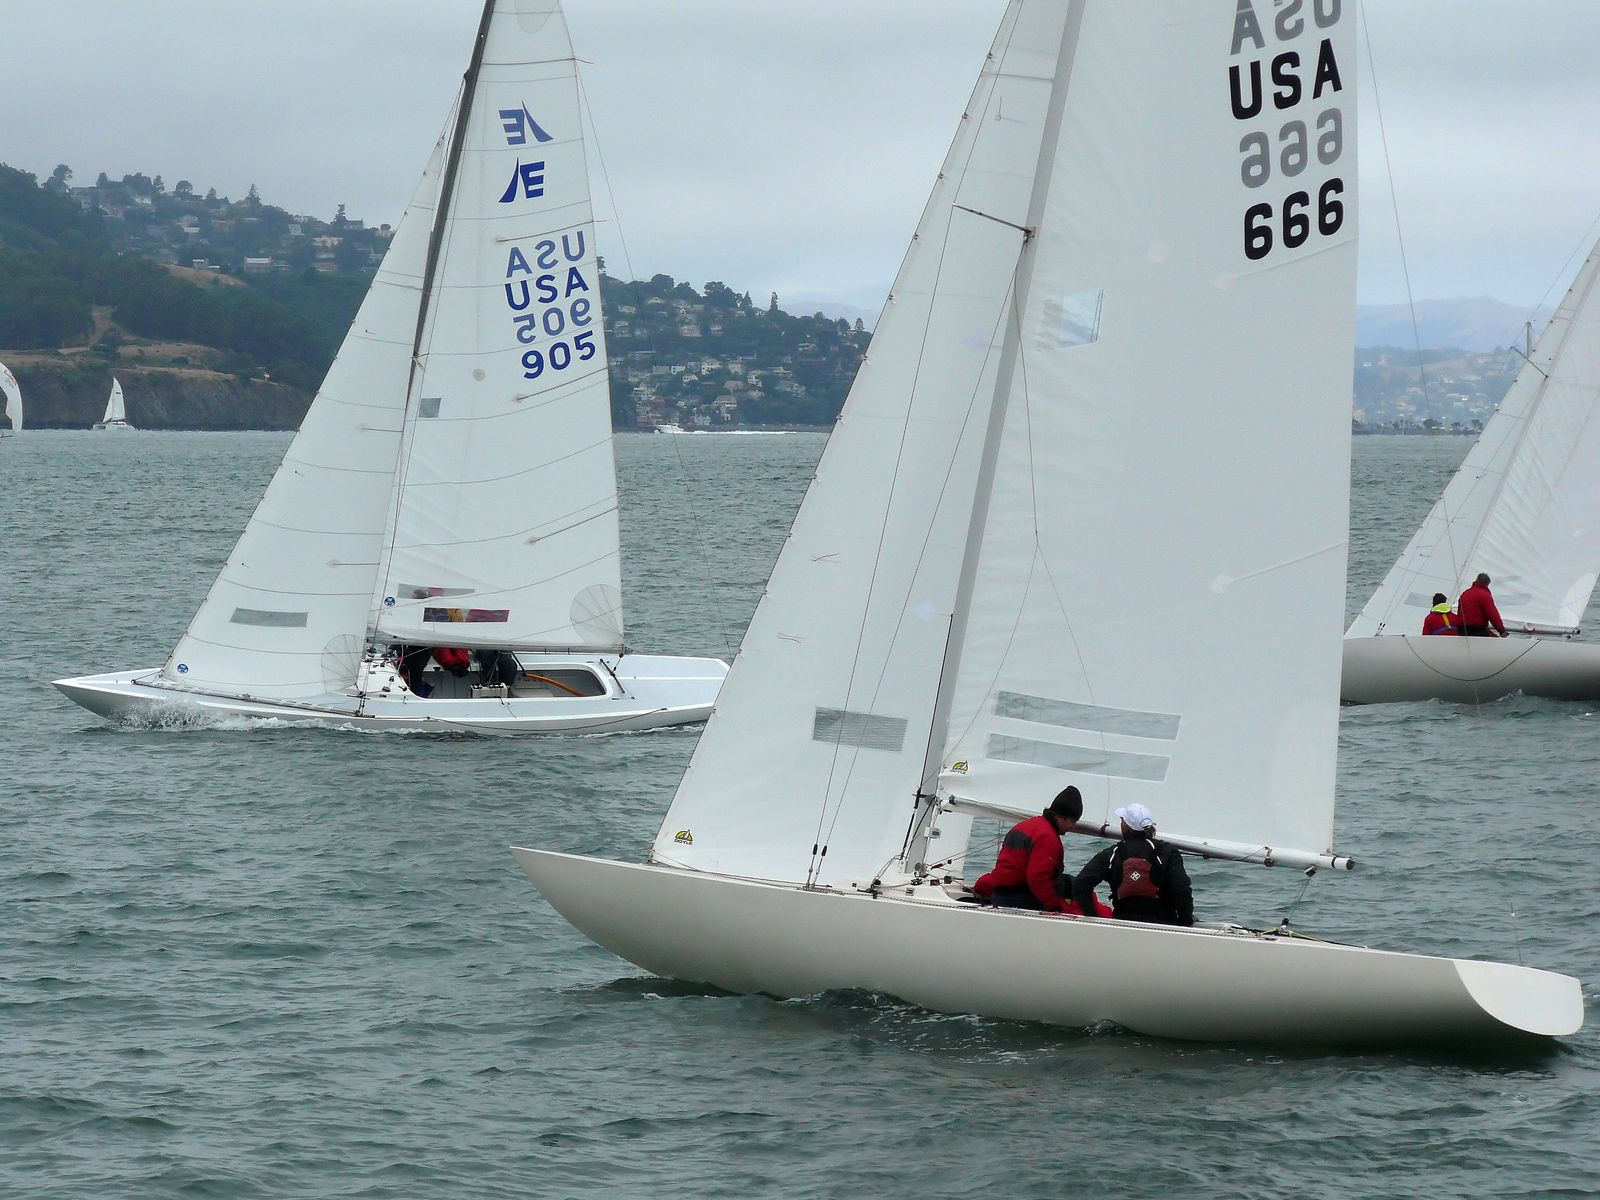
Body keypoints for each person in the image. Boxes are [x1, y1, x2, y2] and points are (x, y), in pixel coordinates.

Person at [1072, 803, 1194, 926]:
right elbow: (1181, 889)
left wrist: (1093, 916)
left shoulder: (1112, 853)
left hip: (1122, 923)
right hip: (1163, 924)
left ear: (1125, 827)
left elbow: (1081, 884)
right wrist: (1186, 921)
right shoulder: (1167, 852)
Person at [973, 787, 1086, 913]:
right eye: (1072, 821)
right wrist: (1055, 907)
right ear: (1061, 817)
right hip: (1020, 900)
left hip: (999, 896)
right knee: (1071, 885)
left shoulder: (1025, 825)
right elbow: (1038, 878)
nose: (1073, 826)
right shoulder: (1047, 837)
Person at [1457, 573, 1507, 637]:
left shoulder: (1464, 594)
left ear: (1476, 580)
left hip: (1461, 630)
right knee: (1495, 639)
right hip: (1477, 630)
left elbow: (1459, 613)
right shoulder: (1485, 595)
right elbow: (1493, 615)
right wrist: (1502, 631)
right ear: (1487, 584)